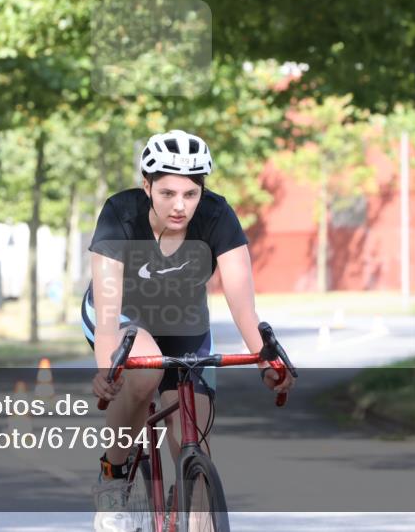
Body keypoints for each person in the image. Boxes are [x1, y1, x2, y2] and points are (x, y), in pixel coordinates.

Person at [84, 129, 294, 532]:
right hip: (123, 316)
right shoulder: (119, 214)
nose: (180, 206)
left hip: (183, 319)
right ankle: (113, 476)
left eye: (191, 194)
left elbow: (243, 305)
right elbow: (108, 316)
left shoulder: (217, 216)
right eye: (167, 193)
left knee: (191, 431)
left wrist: (266, 361)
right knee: (145, 372)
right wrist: (107, 370)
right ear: (146, 186)